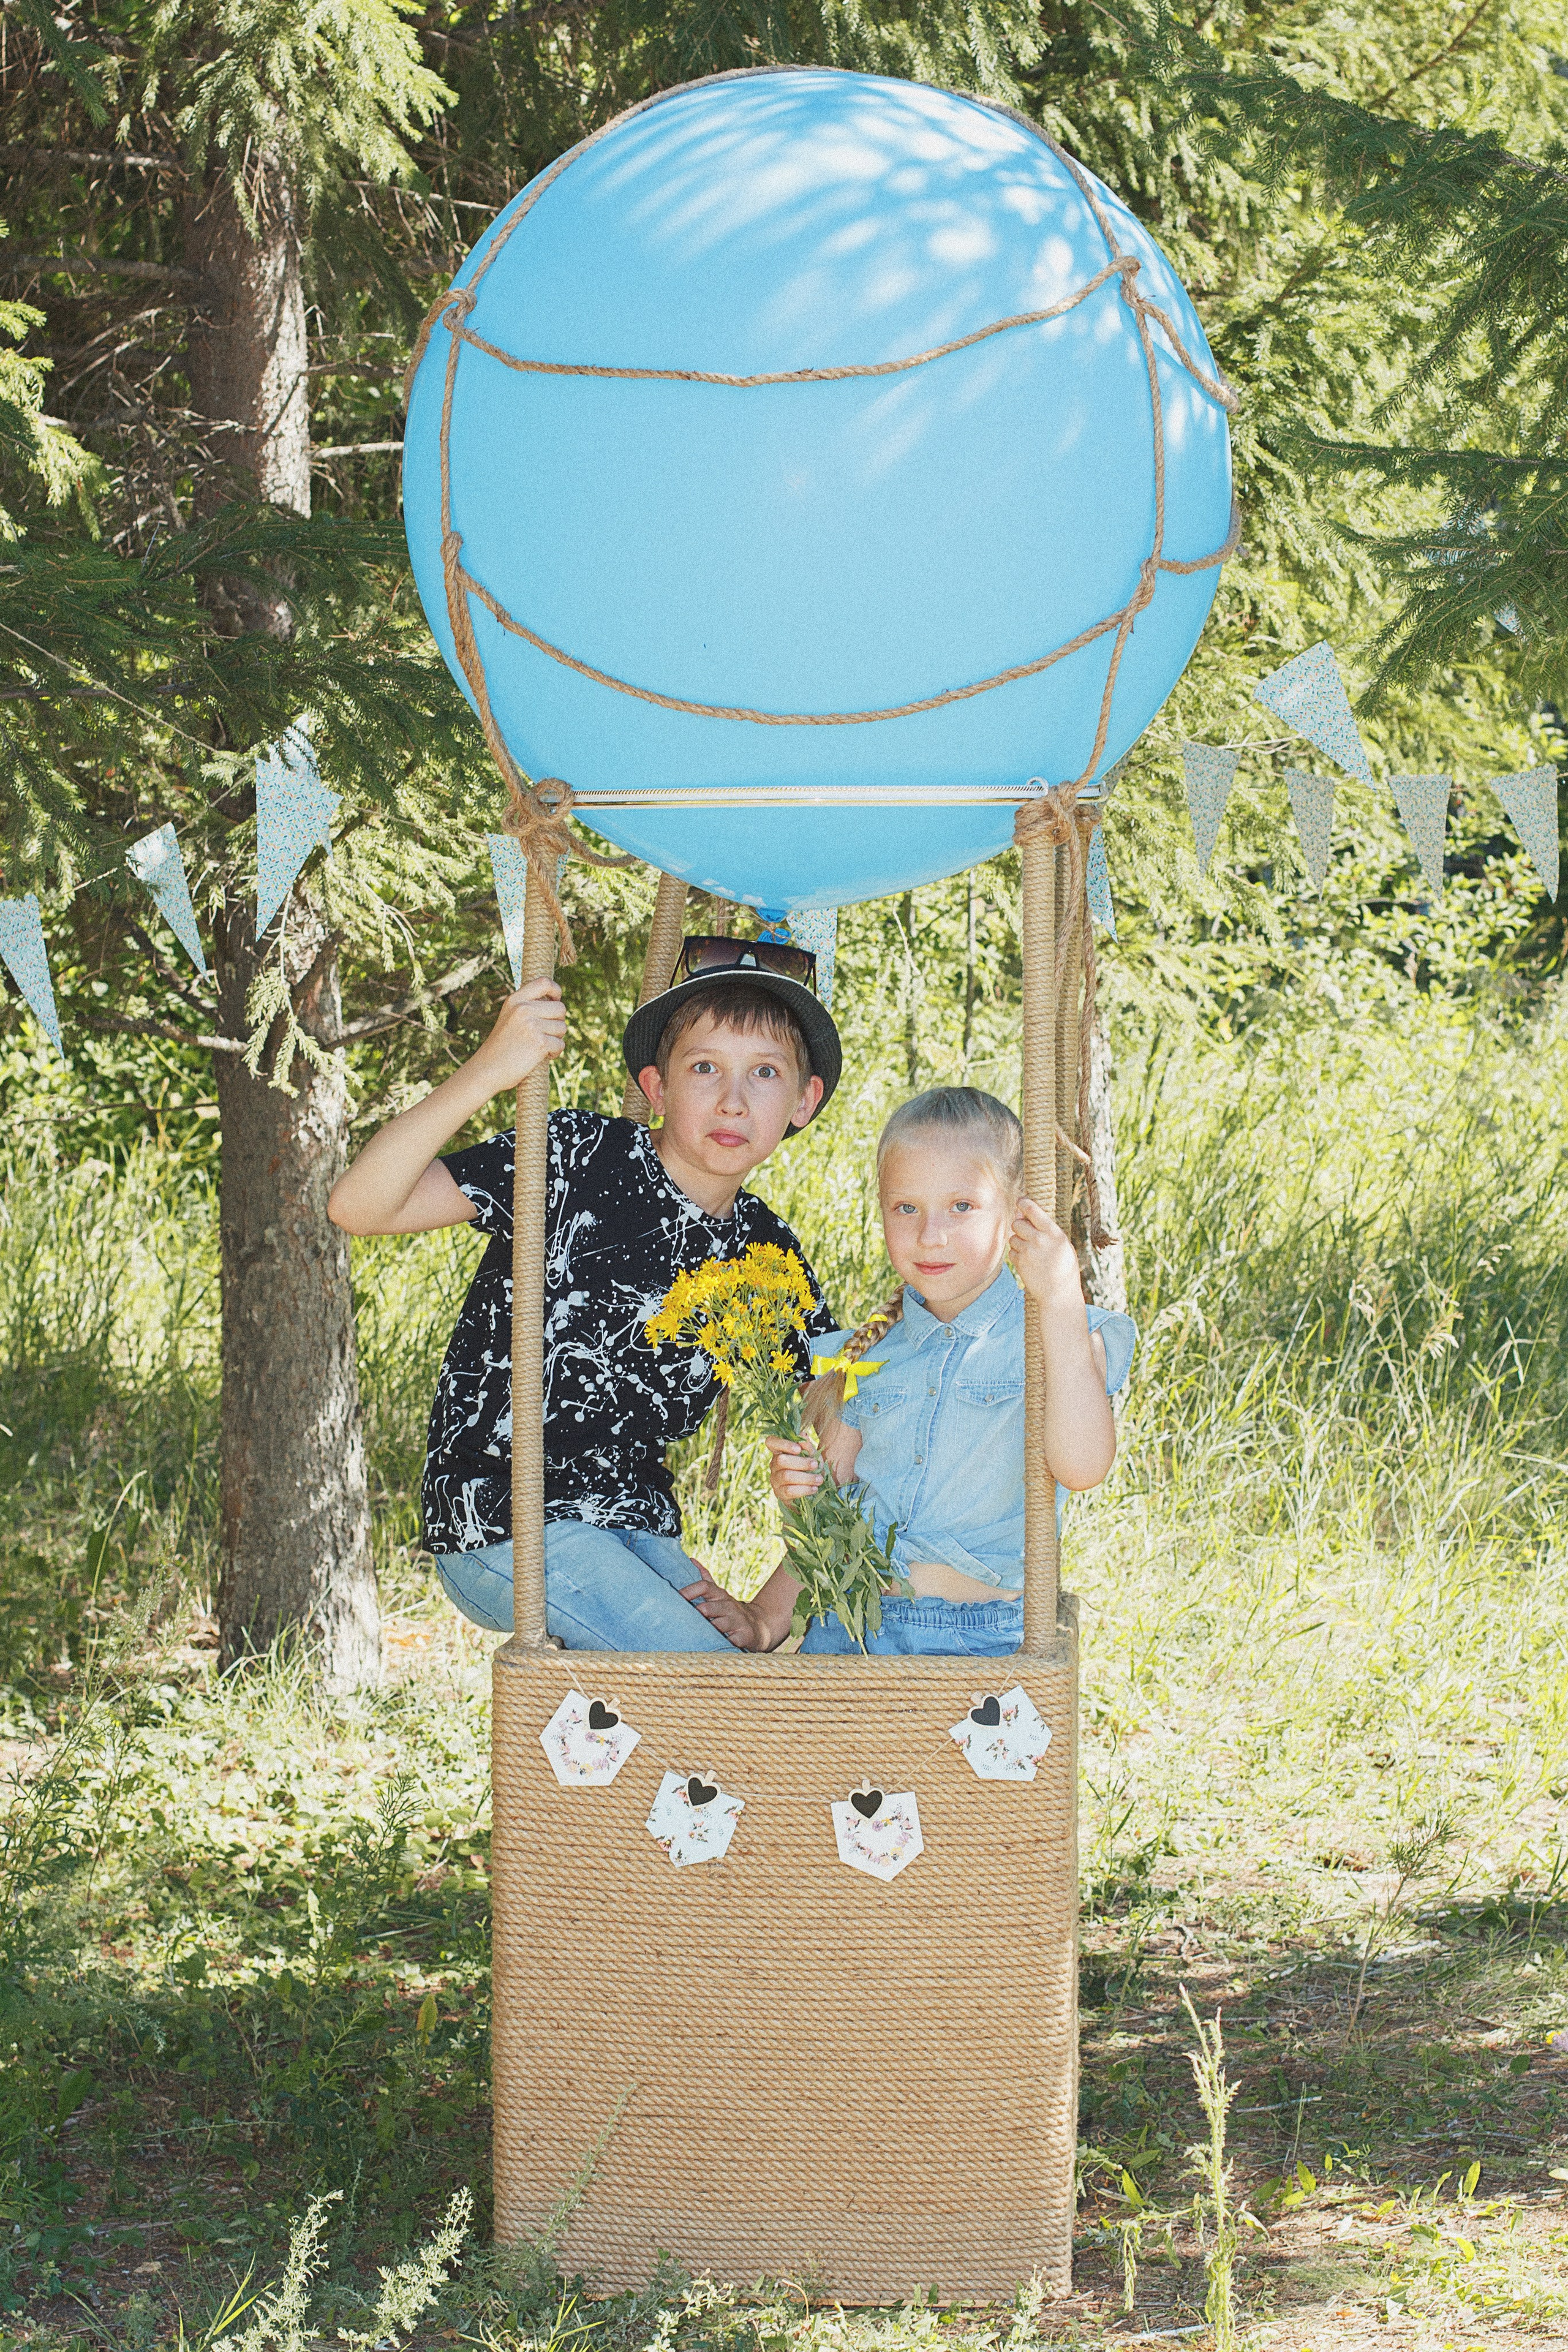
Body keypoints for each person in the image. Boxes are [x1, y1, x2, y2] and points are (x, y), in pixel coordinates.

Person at [327, 937, 842, 1649]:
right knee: (713, 1691)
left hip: (634, 1528)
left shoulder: (765, 1256)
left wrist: (770, 1612)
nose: (732, 1100)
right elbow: (360, 1206)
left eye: (763, 1073)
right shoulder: (574, 1158)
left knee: (743, 1675)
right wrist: (487, 1072)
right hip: (505, 1516)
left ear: (802, 1101)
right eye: (703, 1068)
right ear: (656, 1087)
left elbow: (843, 1420)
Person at [682, 1085, 1134, 1657]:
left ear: (1017, 1210)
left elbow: (1084, 1464)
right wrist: (765, 1619)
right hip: (851, 1632)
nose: (931, 1234)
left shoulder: (1055, 1337)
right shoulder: (859, 1358)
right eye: (907, 1208)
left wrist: (1062, 1298)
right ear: (882, 1208)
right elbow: (832, 1527)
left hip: (984, 1641)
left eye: (962, 1206)